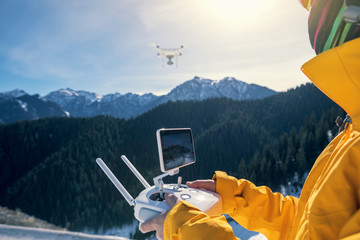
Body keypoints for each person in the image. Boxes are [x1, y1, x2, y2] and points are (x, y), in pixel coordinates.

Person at [140, 0, 360, 239]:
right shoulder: (354, 130)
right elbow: (313, 222)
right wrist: (237, 199)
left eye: (314, 4)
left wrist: (185, 228)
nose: (312, 14)